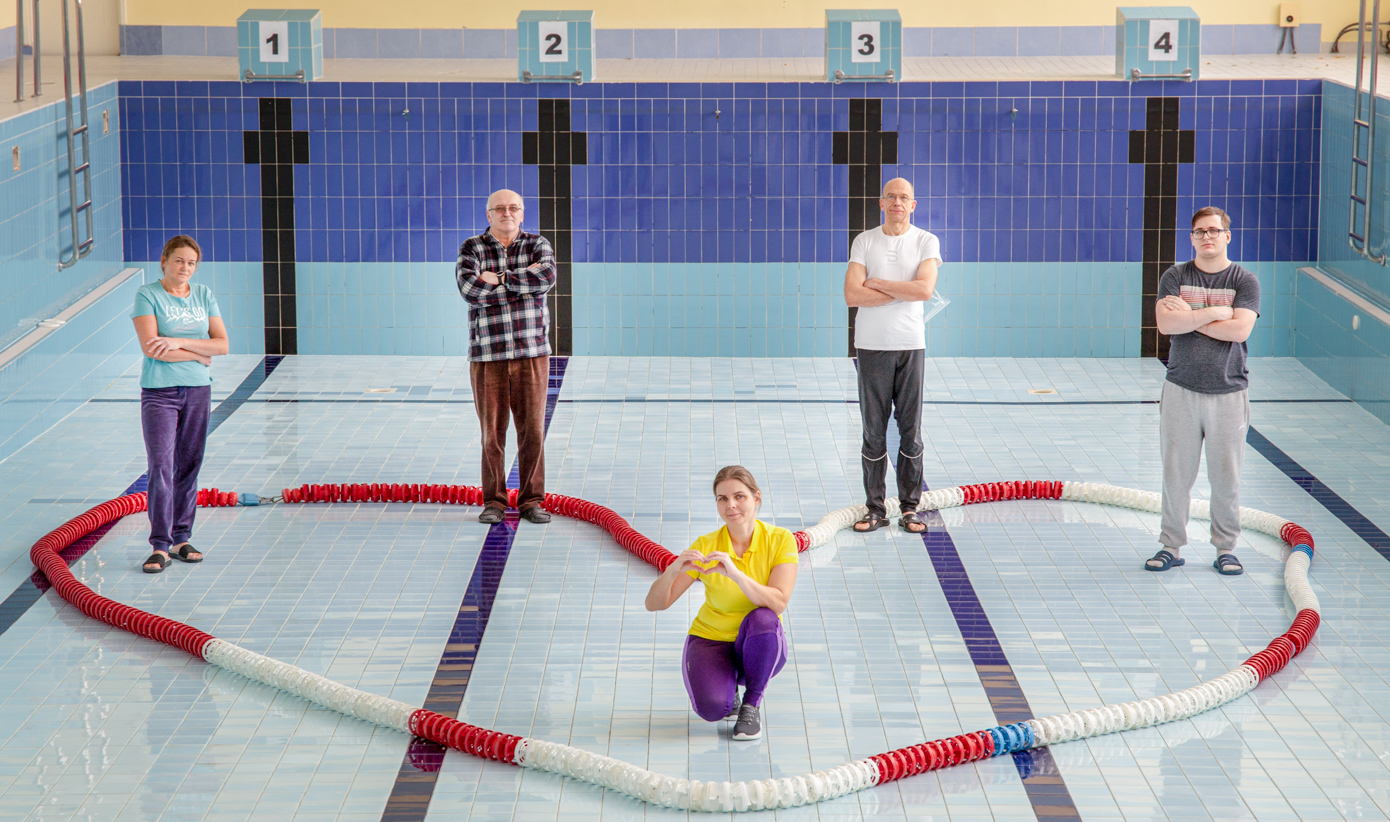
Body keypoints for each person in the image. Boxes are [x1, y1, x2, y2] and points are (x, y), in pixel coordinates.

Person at [645, 466, 798, 741]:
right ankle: (730, 697)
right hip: (712, 637)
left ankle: (751, 706)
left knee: (763, 617)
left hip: (760, 641)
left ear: (756, 498)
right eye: (722, 498)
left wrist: (736, 575)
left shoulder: (780, 540)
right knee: (713, 708)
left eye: (739, 496)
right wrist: (673, 570)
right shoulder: (707, 546)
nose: (731, 505)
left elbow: (779, 602)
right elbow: (655, 603)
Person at [1146, 206, 1260, 576]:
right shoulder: (1175, 275)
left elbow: (1240, 332)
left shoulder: (1245, 281)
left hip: (1228, 391)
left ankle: (1225, 549)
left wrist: (1190, 318)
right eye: (1199, 232)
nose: (1207, 237)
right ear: (1192, 237)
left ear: (1227, 236)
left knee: (1226, 476)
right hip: (1181, 388)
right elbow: (1165, 324)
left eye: (1214, 231)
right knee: (1176, 473)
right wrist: (1216, 313)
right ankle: (1170, 546)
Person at [843, 178, 942, 534]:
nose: (897, 202)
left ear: (913, 205)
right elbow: (852, 295)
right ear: (881, 202)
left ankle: (910, 508)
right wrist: (904, 290)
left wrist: (878, 282)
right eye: (891, 197)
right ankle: (875, 508)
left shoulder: (925, 241)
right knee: (874, 431)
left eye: (904, 197)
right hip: (870, 347)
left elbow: (924, 289)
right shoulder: (865, 241)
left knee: (910, 431)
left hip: (910, 345)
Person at [456, 189, 557, 525]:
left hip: (531, 352)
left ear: (522, 213)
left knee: (532, 431)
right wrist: (519, 284)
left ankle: (531, 501)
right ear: (489, 215)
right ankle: (495, 502)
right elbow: (470, 290)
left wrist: (498, 280)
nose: (506, 213)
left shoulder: (538, 244)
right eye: (499, 209)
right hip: (489, 353)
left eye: (513, 208)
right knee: (492, 432)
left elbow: (546, 278)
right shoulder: (472, 247)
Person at [132, 235, 229, 573]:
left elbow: (222, 345)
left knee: (188, 464)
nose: (185, 268)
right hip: (160, 393)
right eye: (179, 261)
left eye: (190, 263)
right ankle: (159, 544)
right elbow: (150, 347)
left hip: (198, 391)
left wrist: (177, 342)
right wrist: (198, 353)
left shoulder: (203, 295)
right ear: (165, 260)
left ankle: (181, 539)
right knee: (160, 464)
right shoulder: (148, 294)